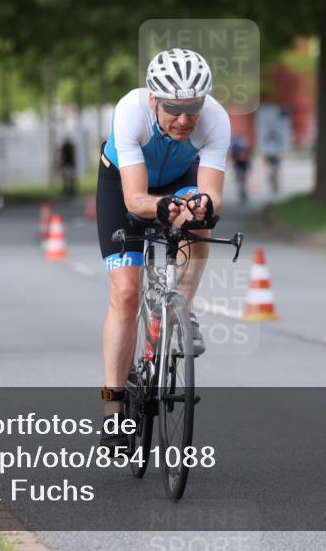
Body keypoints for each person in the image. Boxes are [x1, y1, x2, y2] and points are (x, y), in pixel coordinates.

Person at [96, 48, 230, 449]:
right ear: (154, 99)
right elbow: (135, 198)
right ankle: (114, 407)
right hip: (124, 182)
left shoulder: (217, 119)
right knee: (126, 293)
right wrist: (160, 208)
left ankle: (182, 309)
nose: (186, 120)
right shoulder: (130, 111)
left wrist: (200, 206)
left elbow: (213, 196)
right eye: (174, 109)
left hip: (179, 177)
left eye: (193, 108)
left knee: (200, 222)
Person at [230, 135, 251, 204]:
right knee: (243, 181)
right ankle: (243, 192)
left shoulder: (236, 148)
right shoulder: (244, 148)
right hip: (242, 166)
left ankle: (242, 192)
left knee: (240, 181)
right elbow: (248, 158)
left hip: (239, 166)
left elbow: (233, 157)